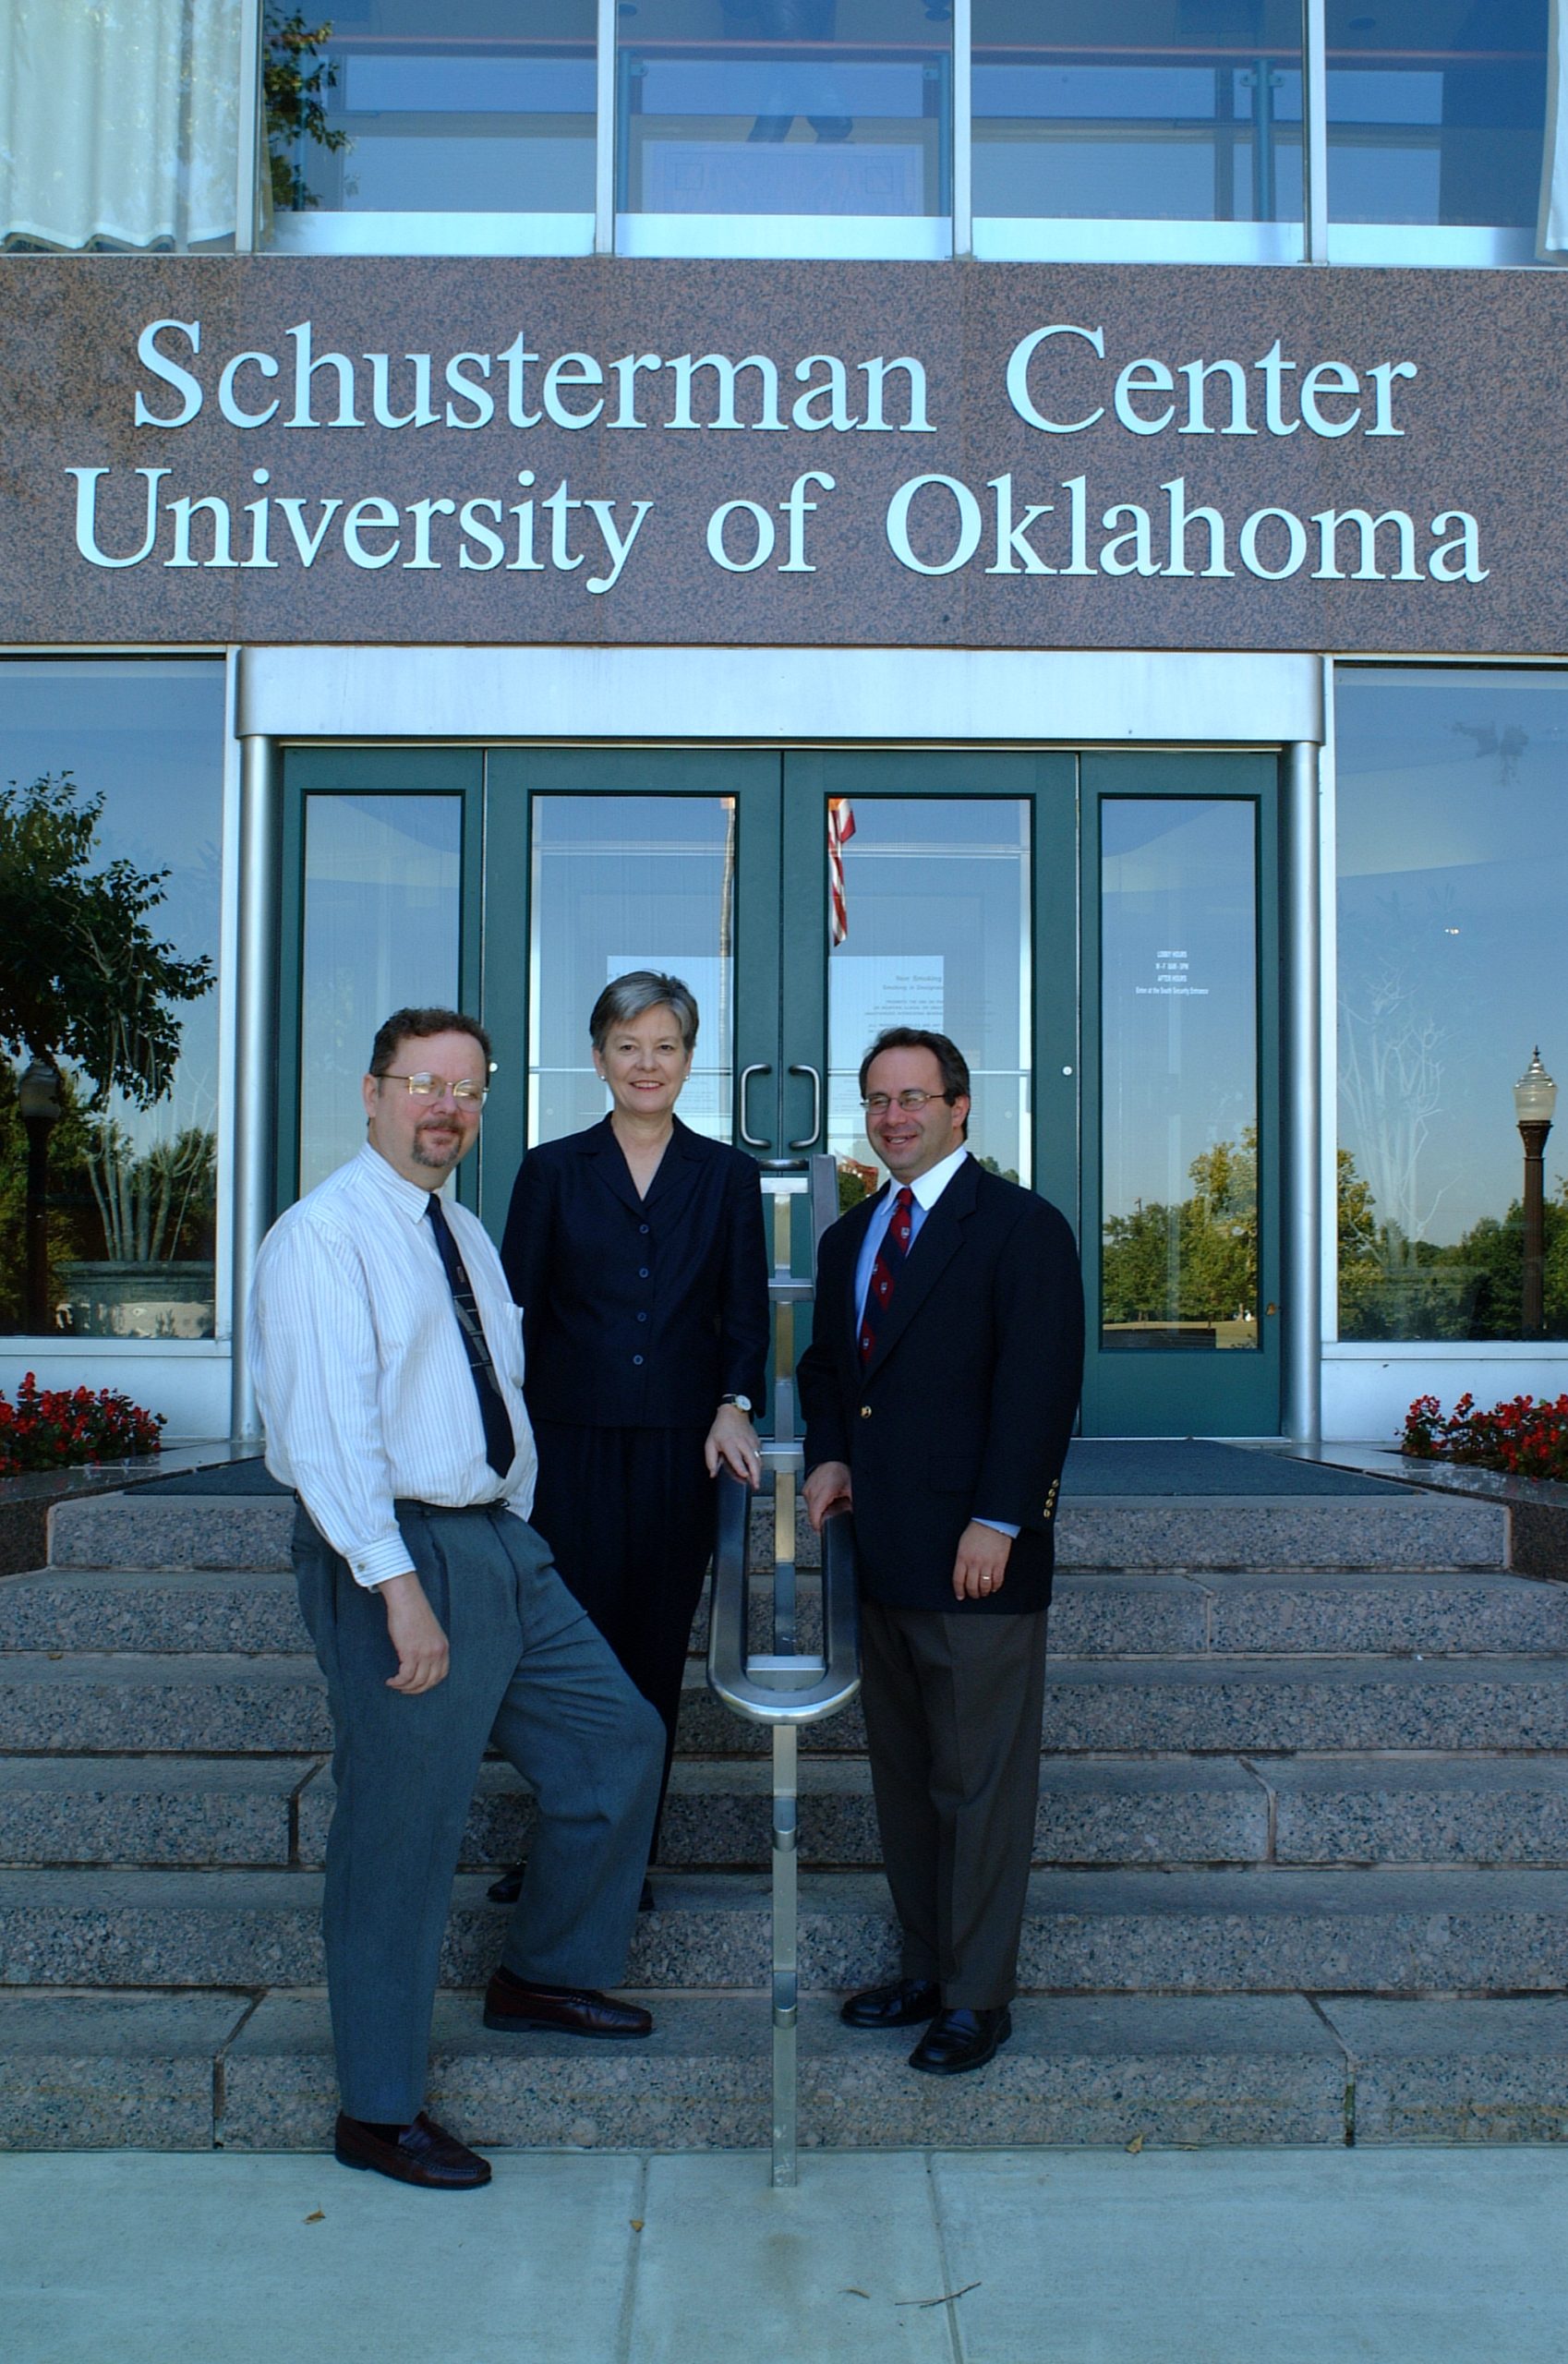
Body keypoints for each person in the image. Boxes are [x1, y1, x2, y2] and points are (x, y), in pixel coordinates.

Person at [249, 1007, 665, 2191]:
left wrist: (513, 1532)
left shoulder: (464, 1231)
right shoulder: (321, 1238)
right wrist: (398, 1591)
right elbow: (327, 1437)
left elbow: (498, 1391)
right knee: (401, 1832)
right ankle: (377, 2109)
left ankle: (542, 1969)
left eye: (468, 1090)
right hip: (393, 1552)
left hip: (492, 1545)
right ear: (372, 1093)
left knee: (616, 1744)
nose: (446, 1107)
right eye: (423, 1083)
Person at [798, 1026, 1083, 2076]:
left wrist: (1002, 1519)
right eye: (877, 1099)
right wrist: (829, 1459)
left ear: (962, 1107)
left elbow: (1040, 1385)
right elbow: (827, 1370)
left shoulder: (1020, 1228)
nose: (894, 1116)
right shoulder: (850, 1238)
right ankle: (924, 1962)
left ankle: (978, 1996)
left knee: (978, 1787)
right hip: (881, 1551)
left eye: (915, 1097)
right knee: (908, 1780)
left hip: (978, 1558)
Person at [497, 971, 769, 1897]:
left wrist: (736, 1399)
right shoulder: (551, 1169)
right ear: (599, 1057)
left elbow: (743, 1308)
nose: (646, 1064)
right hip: (566, 1442)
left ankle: (626, 1856)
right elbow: (512, 1317)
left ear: (689, 1060)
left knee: (651, 1649)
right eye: (628, 1046)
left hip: (676, 1446)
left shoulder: (726, 1175)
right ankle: (561, 1843)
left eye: (665, 1046)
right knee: (566, 1650)